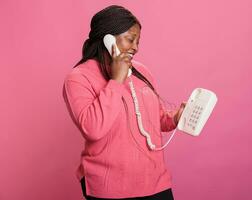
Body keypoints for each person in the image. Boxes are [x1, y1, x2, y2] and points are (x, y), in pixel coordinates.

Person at [62, 5, 186, 200]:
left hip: (156, 182)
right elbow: (93, 129)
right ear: (107, 38)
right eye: (130, 39)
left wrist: (175, 118)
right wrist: (116, 80)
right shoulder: (78, 78)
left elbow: (158, 119)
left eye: (138, 41)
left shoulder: (142, 71)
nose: (136, 47)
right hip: (109, 188)